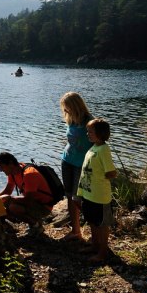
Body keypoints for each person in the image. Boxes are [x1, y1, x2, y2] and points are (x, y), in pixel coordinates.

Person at [77, 118, 118, 263]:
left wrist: (105, 175)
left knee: (102, 224)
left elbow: (111, 172)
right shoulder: (93, 147)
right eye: (87, 131)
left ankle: (102, 252)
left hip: (100, 195)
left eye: (91, 132)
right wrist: (80, 192)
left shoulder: (104, 149)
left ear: (100, 133)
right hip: (89, 194)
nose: (87, 134)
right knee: (92, 221)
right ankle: (95, 245)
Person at [58, 91, 93, 242]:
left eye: (67, 108)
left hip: (81, 165)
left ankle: (95, 232)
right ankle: (76, 231)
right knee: (69, 197)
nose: (65, 111)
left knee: (79, 199)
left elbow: (98, 144)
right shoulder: (71, 120)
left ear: (76, 106)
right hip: (67, 161)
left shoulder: (90, 122)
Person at [0, 151, 53, 225]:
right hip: (32, 203)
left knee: (13, 207)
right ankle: (11, 224)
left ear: (11, 163)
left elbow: (29, 200)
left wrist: (10, 198)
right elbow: (8, 190)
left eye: (2, 167)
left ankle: (36, 225)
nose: (0, 170)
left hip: (44, 207)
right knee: (1, 204)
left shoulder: (29, 174)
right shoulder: (12, 173)